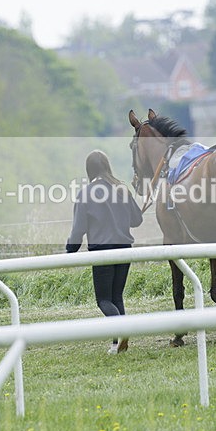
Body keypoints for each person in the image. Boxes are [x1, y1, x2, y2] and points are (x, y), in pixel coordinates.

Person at [66, 150, 143, 354]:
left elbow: (78, 229)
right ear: (108, 166)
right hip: (125, 250)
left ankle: (122, 331)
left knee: (104, 300)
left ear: (89, 170)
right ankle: (117, 344)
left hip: (102, 251)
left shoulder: (86, 193)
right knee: (117, 297)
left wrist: (70, 250)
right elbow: (137, 220)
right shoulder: (121, 189)